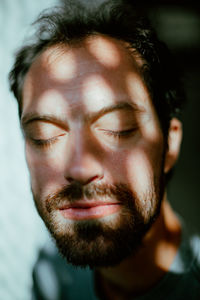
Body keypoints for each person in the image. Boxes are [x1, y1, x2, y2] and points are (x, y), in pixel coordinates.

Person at [9, 0, 200, 299]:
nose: (80, 168)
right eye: (43, 136)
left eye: (118, 128)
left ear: (171, 143)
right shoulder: (51, 275)